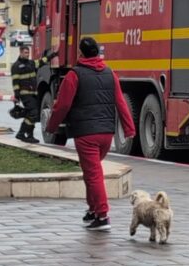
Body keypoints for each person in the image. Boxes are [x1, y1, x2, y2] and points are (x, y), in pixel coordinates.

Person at [46, 37, 136, 231]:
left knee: (94, 174)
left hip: (86, 134)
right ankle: (93, 210)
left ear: (80, 53)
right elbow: (120, 102)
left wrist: (52, 127)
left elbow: (63, 105)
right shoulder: (110, 73)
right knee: (91, 172)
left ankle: (102, 216)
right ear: (97, 53)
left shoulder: (74, 75)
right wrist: (129, 129)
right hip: (106, 134)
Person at [10, 45, 53, 143]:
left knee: (32, 114)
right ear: (20, 53)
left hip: (33, 93)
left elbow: (41, 62)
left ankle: (29, 135)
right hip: (25, 94)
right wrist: (17, 96)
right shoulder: (16, 66)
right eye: (25, 53)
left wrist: (51, 56)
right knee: (33, 113)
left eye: (28, 53)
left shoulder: (31, 63)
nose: (27, 54)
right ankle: (21, 133)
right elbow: (15, 82)